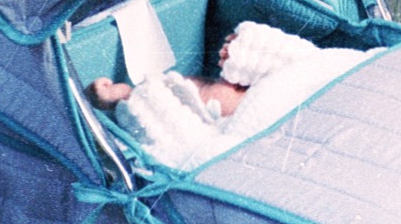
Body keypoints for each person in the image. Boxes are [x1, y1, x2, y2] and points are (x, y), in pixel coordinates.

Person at [88, 22, 378, 170]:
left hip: (337, 91)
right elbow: (184, 142)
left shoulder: (277, 88)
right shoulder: (219, 132)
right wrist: (134, 97)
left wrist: (251, 47)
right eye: (208, 84)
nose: (225, 75)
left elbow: (314, 65)